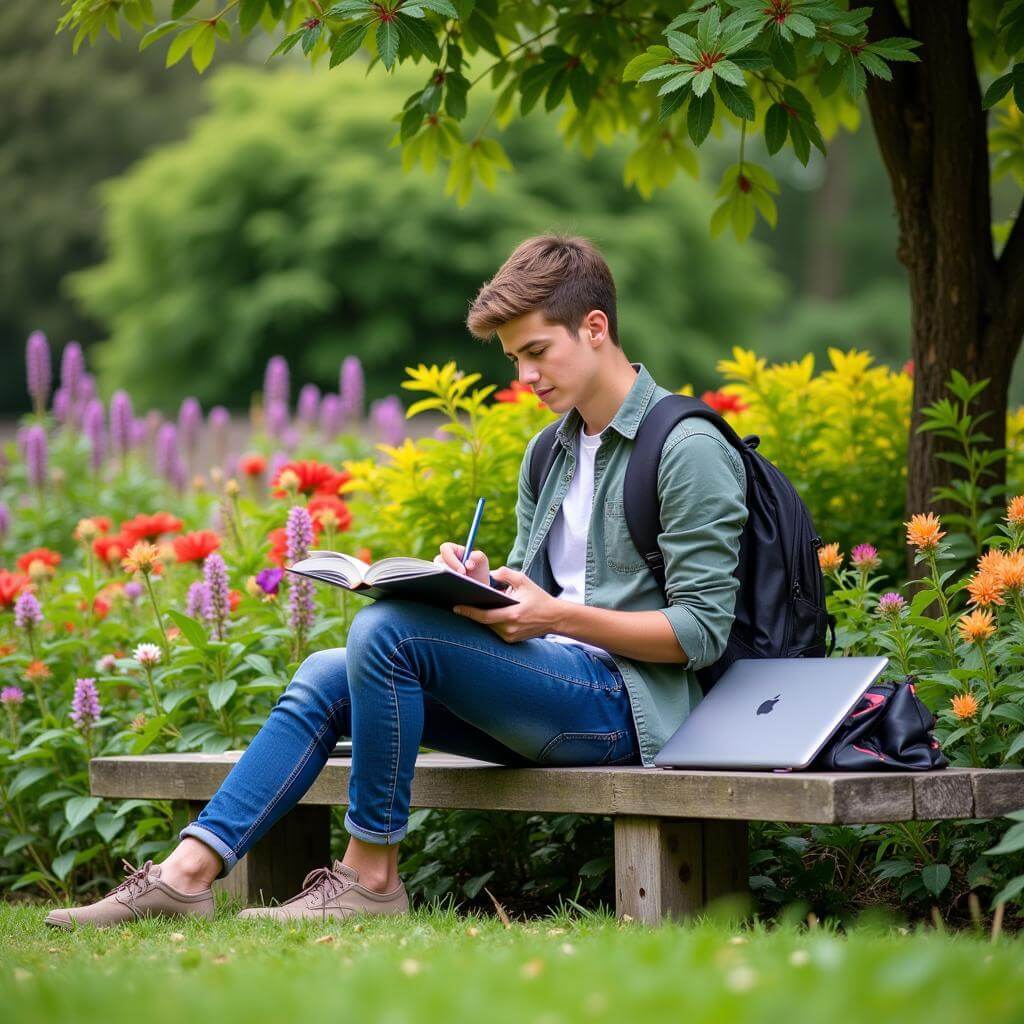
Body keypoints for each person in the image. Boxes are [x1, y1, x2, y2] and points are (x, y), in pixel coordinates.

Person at [44, 234, 747, 929]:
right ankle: (186, 874)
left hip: (628, 708)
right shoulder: (550, 451)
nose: (526, 377)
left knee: (384, 631)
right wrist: (479, 585)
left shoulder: (685, 448)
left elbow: (700, 634)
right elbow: (545, 591)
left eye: (537, 352)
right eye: (514, 360)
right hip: (552, 690)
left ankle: (371, 879)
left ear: (595, 328)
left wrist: (551, 619)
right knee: (329, 671)